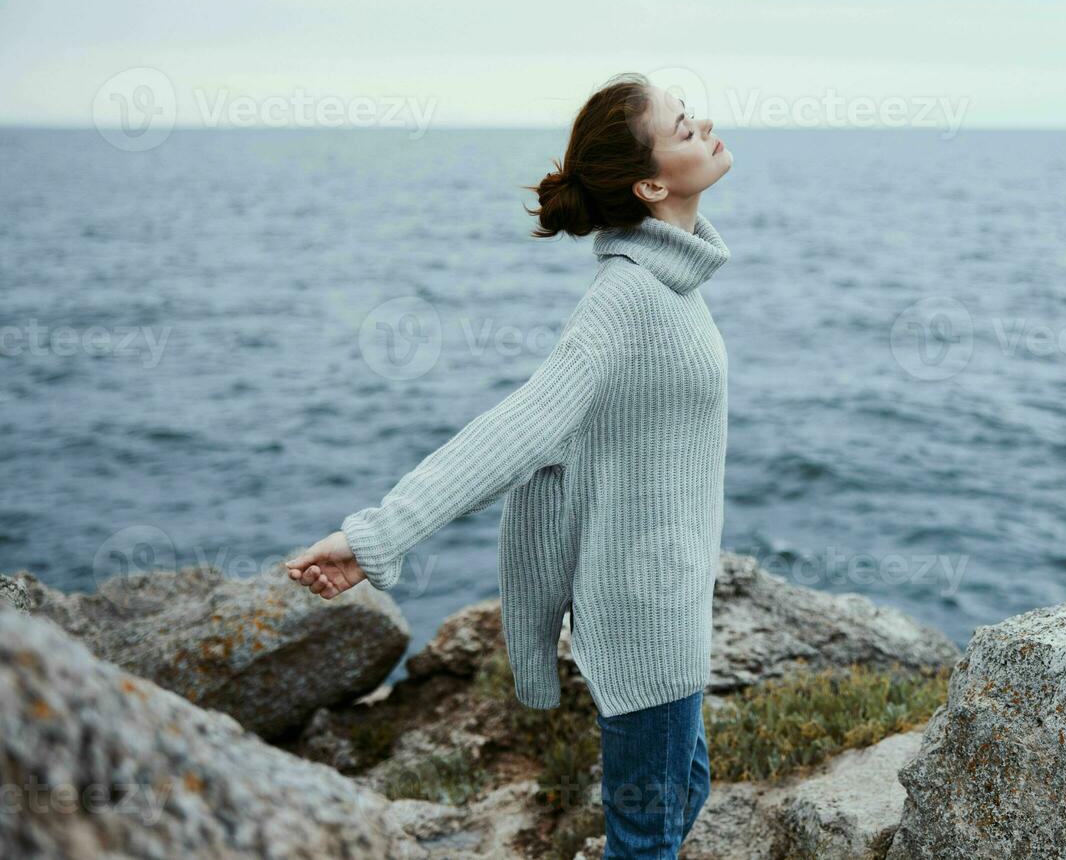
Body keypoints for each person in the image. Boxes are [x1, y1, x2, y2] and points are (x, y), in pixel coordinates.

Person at [283, 71, 734, 858]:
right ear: (651, 182)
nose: (704, 127)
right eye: (683, 124)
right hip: (644, 619)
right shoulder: (624, 301)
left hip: (674, 606)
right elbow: (517, 429)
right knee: (647, 837)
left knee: (682, 791)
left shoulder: (674, 286)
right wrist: (378, 535)